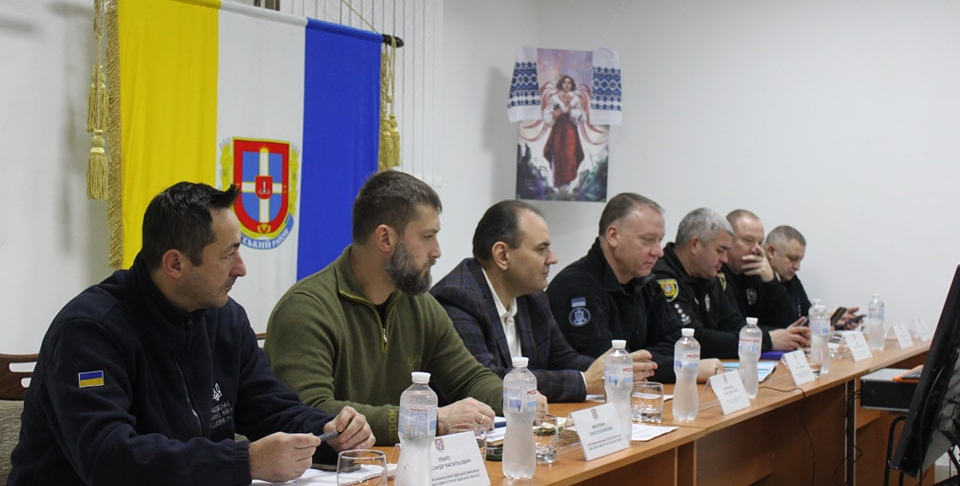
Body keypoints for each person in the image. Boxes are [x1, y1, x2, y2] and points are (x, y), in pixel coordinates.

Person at [8, 182, 374, 486]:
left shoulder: (225, 319)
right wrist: (242, 462)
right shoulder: (90, 332)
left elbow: (269, 407)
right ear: (175, 264)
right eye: (229, 255)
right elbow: (108, 459)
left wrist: (329, 433)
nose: (242, 269)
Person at [265, 170, 506, 445]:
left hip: (398, 465)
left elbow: (469, 378)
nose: (437, 251)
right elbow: (312, 411)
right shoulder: (306, 309)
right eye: (428, 236)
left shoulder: (419, 304)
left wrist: (518, 398)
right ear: (385, 239)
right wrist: (429, 420)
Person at [431, 200, 657, 402]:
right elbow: (488, 380)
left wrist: (612, 371)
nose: (553, 258)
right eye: (541, 249)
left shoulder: (533, 296)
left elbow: (562, 358)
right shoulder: (458, 299)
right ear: (502, 255)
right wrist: (585, 381)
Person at [546, 193, 721, 383]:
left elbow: (675, 343)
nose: (658, 252)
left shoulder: (645, 282)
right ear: (614, 236)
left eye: (660, 240)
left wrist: (634, 361)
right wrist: (682, 368)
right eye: (647, 240)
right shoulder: (576, 287)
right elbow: (600, 363)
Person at [652, 208, 809, 358]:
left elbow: (734, 325)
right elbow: (692, 338)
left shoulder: (709, 275)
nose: (724, 259)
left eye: (760, 242)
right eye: (720, 251)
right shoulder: (663, 277)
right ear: (695, 245)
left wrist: (786, 336)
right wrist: (768, 339)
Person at [764, 225, 861, 330]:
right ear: (771, 252)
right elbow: (783, 323)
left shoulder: (790, 279)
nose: (797, 267)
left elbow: (806, 317)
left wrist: (830, 320)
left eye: (799, 260)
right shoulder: (754, 280)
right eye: (793, 258)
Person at [721, 209, 797, 328]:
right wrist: (774, 336)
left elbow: (787, 323)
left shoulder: (756, 271)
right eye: (748, 240)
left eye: (760, 242)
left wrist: (771, 282)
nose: (756, 249)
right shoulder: (714, 273)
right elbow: (732, 326)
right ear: (727, 239)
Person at [542, 74, 586, 189]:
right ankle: (558, 181)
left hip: (570, 129)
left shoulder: (576, 99)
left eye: (569, 82)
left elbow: (582, 116)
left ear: (572, 85)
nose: (567, 85)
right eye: (565, 82)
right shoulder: (554, 98)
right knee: (557, 153)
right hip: (558, 129)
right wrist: (554, 115)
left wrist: (573, 112)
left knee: (570, 154)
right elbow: (547, 112)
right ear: (561, 84)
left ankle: (568, 181)